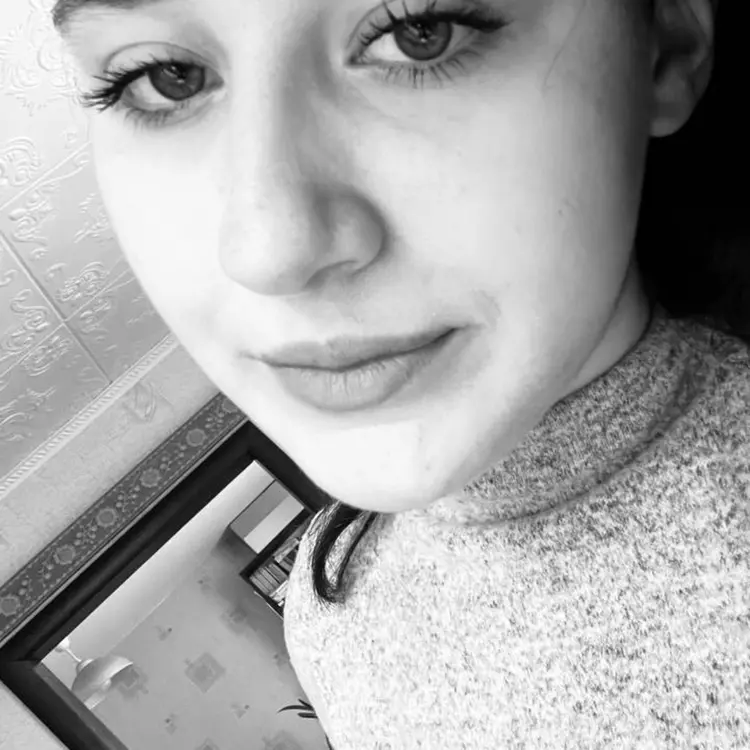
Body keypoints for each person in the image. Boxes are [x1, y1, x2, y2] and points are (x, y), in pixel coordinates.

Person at [53, 0, 748, 746]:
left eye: (419, 32)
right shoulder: (327, 606)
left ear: (664, 49)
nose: (270, 250)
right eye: (167, 76)